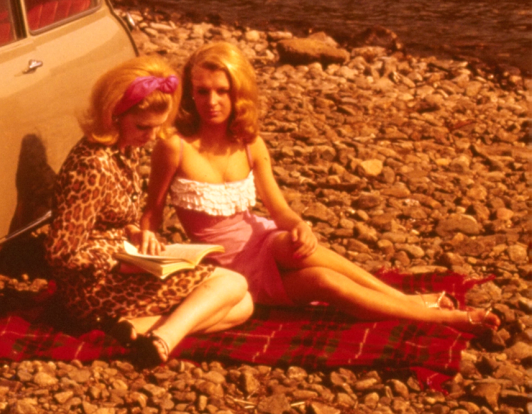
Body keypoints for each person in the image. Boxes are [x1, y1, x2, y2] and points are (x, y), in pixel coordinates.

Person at [143, 40, 497, 329]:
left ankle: (411, 305)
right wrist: (149, 240)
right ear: (190, 94)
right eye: (202, 92)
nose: (213, 102)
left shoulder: (250, 142)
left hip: (262, 238)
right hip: (229, 266)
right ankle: (443, 317)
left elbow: (277, 209)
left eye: (223, 91)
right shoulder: (174, 145)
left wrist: (299, 225)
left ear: (239, 94)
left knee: (301, 248)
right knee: (325, 283)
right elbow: (153, 210)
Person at [46, 56, 254, 367]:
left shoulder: (124, 148)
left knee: (245, 305)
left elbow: (112, 220)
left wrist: (137, 234)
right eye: (143, 127)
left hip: (121, 264)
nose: (151, 136)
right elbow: (60, 252)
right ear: (113, 116)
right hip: (92, 288)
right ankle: (164, 339)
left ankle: (139, 327)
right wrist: (121, 263)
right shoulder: (93, 165)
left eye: (158, 127)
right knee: (233, 286)